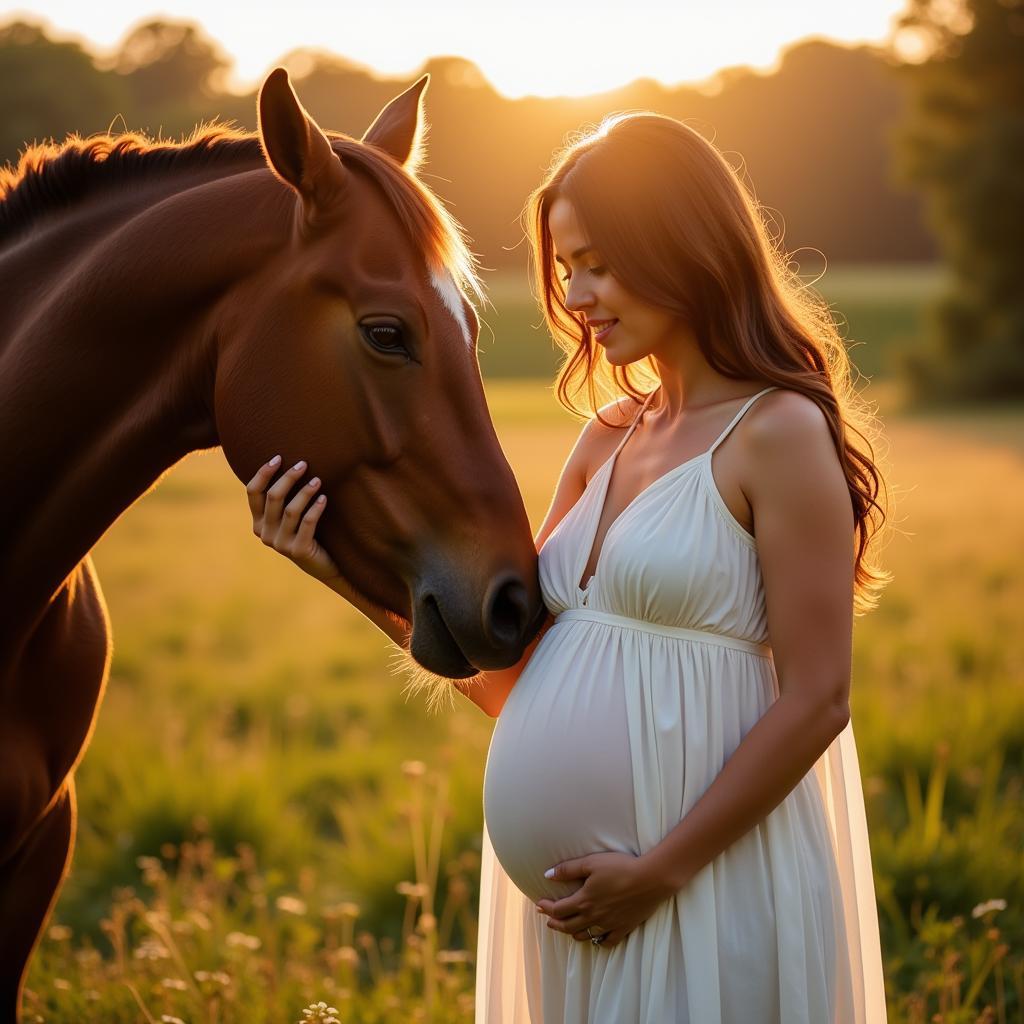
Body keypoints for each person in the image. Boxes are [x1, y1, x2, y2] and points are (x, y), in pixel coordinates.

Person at [247, 111, 891, 1023]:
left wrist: (656, 873)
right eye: (563, 270)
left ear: (683, 245)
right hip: (570, 912)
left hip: (699, 883)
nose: (577, 294)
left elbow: (819, 698)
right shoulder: (607, 437)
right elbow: (511, 681)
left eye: (598, 261)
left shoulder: (776, 435)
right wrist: (335, 574)